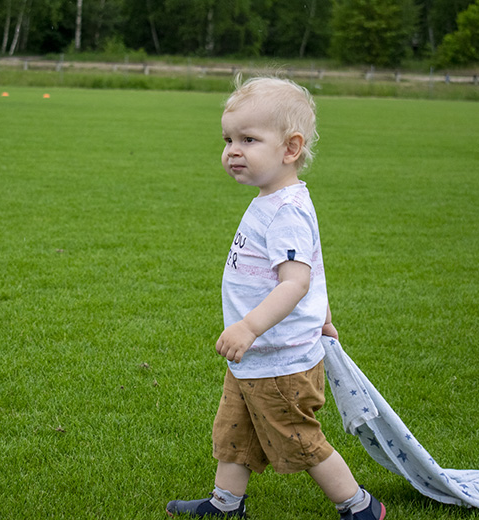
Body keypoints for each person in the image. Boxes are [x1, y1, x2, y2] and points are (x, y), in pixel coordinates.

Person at [165, 77, 385, 520]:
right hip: (256, 357)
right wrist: (324, 319)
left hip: (278, 359)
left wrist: (248, 326)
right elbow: (315, 272)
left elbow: (295, 282)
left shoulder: (286, 212)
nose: (232, 150)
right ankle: (225, 506)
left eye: (248, 139)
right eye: (228, 139)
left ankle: (360, 507)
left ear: (290, 148)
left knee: (298, 440)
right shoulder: (272, 200)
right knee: (235, 432)